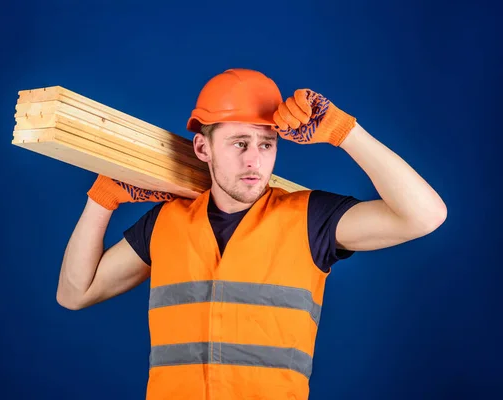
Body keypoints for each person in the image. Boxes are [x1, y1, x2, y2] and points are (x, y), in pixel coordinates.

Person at [56, 68, 447, 399]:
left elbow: (424, 216)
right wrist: (102, 200)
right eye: (239, 143)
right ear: (202, 147)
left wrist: (345, 132)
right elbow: (75, 293)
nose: (253, 160)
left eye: (266, 144)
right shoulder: (166, 222)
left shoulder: (311, 219)